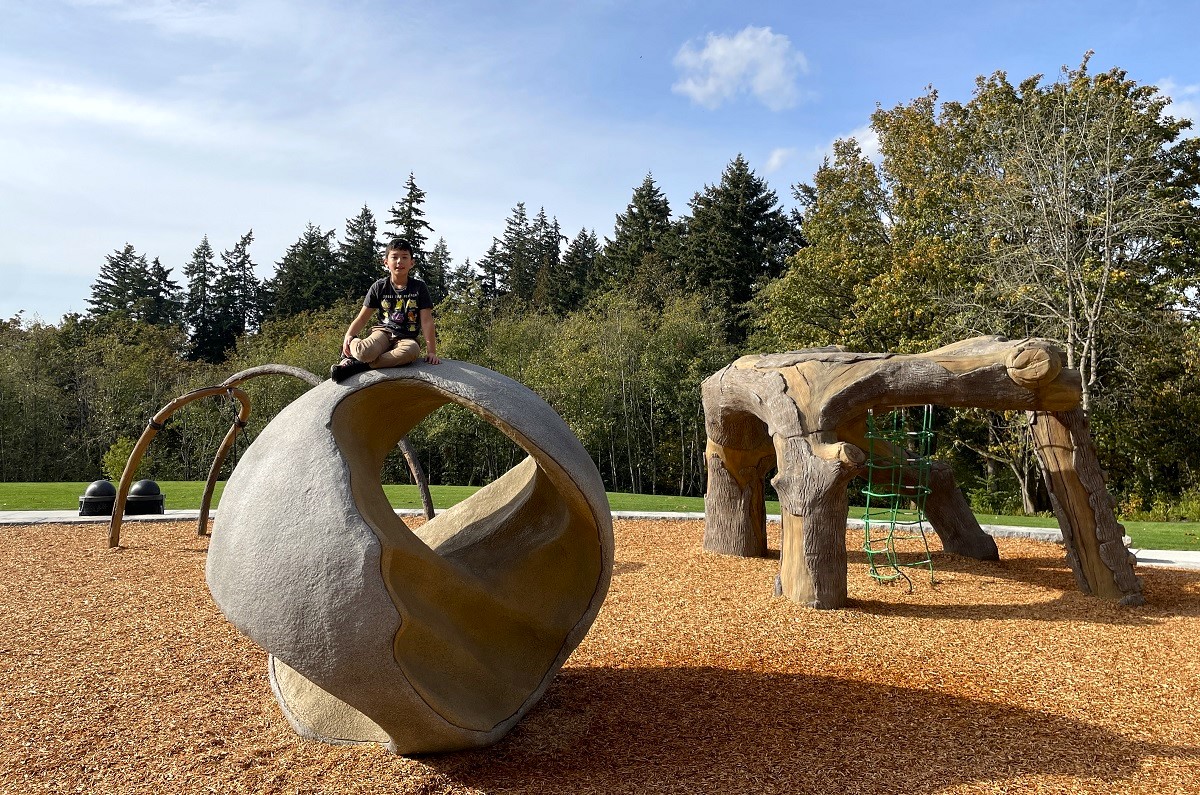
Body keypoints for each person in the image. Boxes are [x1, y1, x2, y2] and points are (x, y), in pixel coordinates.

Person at [330, 238, 440, 382]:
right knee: (364, 352)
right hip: (383, 332)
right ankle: (352, 353)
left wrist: (431, 352)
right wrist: (349, 336)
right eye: (394, 257)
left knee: (412, 351)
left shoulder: (419, 287)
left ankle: (359, 366)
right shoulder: (379, 286)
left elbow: (426, 321)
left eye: (404, 257)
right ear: (386, 262)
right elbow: (362, 317)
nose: (399, 261)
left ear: (412, 263)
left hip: (407, 338)